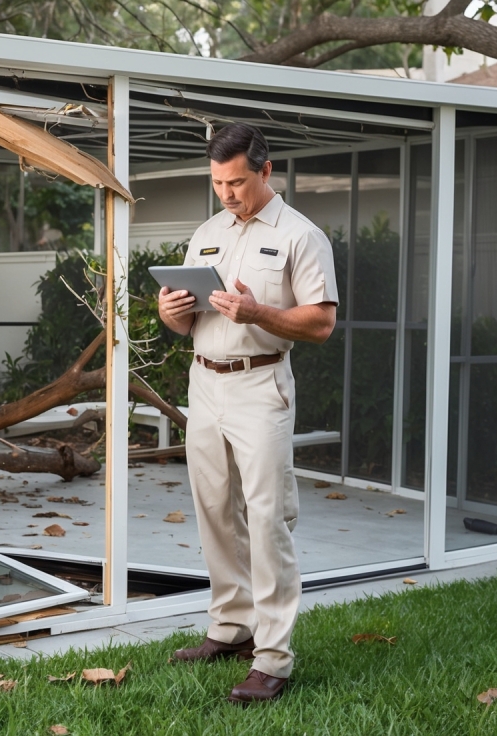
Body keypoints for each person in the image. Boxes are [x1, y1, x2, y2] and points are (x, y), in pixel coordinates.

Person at [156, 123, 338, 704]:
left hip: (260, 386)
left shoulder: (301, 235)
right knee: (214, 511)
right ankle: (232, 627)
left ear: (265, 170)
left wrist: (257, 312)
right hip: (204, 384)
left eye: (236, 182)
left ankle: (273, 658)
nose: (227, 194)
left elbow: (321, 322)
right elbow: (184, 322)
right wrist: (170, 311)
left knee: (266, 520)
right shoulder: (207, 233)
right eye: (217, 183)